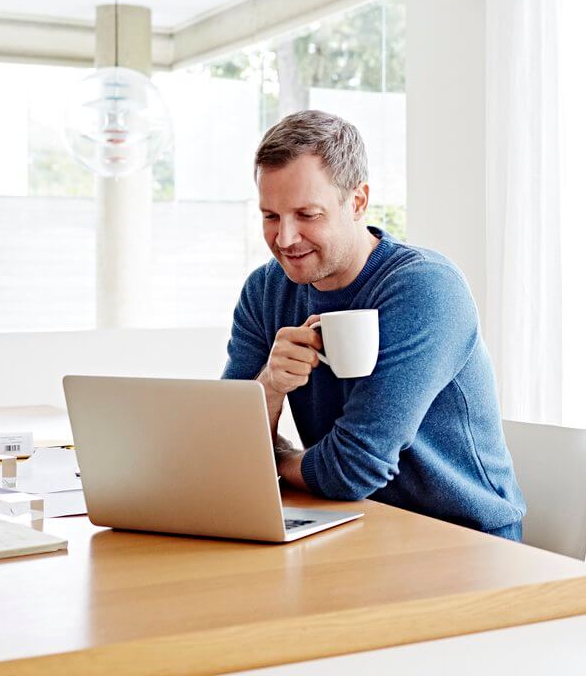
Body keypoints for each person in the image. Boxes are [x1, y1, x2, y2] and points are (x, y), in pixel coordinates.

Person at [222, 109, 525, 540]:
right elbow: (227, 450)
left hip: (464, 538)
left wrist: (282, 461)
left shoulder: (424, 288)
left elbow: (352, 469)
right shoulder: (266, 290)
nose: (285, 239)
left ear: (358, 202)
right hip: (353, 523)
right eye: (270, 216)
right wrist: (269, 385)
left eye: (307, 214)